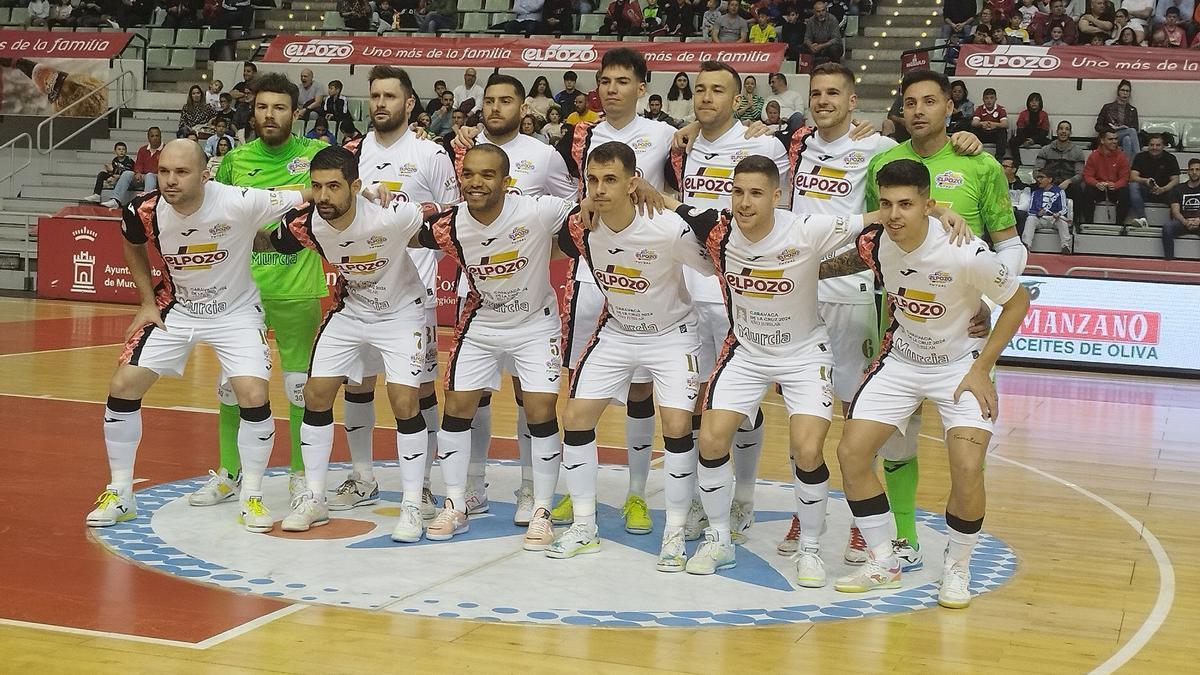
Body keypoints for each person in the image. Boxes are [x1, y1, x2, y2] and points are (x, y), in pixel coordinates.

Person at [672, 156, 970, 576]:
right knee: (711, 440)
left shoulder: (807, 229)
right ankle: (719, 538)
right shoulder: (719, 229)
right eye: (738, 192)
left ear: (777, 196)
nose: (744, 202)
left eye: (756, 193)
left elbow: (881, 214)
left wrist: (940, 209)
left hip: (804, 354)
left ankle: (810, 548)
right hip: (746, 353)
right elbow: (671, 205)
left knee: (808, 449)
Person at [827, 158, 1030, 609]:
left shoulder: (965, 251)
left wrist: (981, 368)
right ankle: (885, 560)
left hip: (959, 365)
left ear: (927, 205)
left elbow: (1018, 303)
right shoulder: (877, 241)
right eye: (887, 204)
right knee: (851, 453)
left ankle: (957, 568)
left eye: (906, 204)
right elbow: (832, 260)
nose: (895, 214)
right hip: (902, 360)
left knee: (966, 466)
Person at [84, 139, 307, 532]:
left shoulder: (240, 200)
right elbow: (132, 243)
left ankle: (251, 496)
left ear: (205, 174)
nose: (170, 180)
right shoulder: (144, 209)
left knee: (253, 394)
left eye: (182, 172)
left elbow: (307, 192)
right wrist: (145, 302)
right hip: (177, 307)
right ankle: (120, 493)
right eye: (165, 171)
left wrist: (362, 192)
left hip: (236, 312)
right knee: (123, 384)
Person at [855, 69, 1026, 572]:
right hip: (900, 322)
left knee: (966, 457)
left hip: (965, 329)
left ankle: (958, 560)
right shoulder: (883, 161)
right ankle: (902, 540)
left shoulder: (981, 162)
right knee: (894, 439)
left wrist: (988, 299)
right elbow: (878, 234)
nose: (918, 110)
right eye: (909, 102)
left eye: (929, 101)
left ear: (950, 107)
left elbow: (1010, 244)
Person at [546, 141, 713, 566]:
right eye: (593, 181)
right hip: (618, 331)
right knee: (576, 417)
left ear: (633, 182)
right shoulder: (582, 226)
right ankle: (585, 526)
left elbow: (712, 262)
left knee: (677, 424)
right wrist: (582, 203)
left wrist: (673, 204)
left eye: (610, 180)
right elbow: (549, 238)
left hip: (672, 333)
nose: (600, 190)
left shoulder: (666, 228)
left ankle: (674, 531)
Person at [261, 146, 436, 536]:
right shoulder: (306, 224)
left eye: (334, 187)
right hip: (352, 310)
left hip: (401, 312)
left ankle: (411, 504)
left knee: (405, 400)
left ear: (356, 186)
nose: (324, 196)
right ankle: (315, 498)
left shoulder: (391, 216)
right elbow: (266, 241)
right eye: (317, 186)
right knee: (315, 393)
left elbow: (445, 224)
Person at [413, 145, 576, 548]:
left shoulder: (538, 211)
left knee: (539, 410)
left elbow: (586, 213)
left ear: (507, 182)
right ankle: (455, 504)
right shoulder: (448, 225)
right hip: (481, 323)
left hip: (534, 325)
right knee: (457, 407)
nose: (476, 182)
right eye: (468, 174)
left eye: (487, 175)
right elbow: (399, 229)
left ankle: (541, 508)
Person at [186, 73, 330, 510]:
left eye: (280, 107)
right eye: (263, 107)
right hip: (241, 294)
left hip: (297, 289)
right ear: (254, 111)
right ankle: (230, 474)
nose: (271, 114)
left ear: (295, 112)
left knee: (299, 387)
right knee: (233, 386)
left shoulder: (316, 155)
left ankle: (300, 476)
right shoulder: (235, 160)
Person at [670, 61, 793, 547]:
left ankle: (744, 494)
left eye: (717, 90)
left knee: (739, 403)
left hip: (739, 291)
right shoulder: (682, 143)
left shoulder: (762, 144)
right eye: (700, 89)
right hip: (687, 290)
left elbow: (784, 212)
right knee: (699, 399)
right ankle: (708, 494)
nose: (706, 97)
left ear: (737, 98)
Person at [447, 74, 577, 520]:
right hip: (478, 292)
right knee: (473, 397)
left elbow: (572, 211)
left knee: (531, 396)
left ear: (523, 108)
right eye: (489, 101)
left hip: (528, 291)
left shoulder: (544, 155)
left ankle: (529, 489)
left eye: (506, 101)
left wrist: (547, 248)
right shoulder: (458, 146)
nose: (495, 108)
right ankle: (473, 486)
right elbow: (453, 212)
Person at [333, 65, 461, 518]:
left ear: (409, 103)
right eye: (375, 95)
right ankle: (362, 475)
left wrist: (416, 212)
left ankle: (422, 484)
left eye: (390, 96)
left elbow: (452, 217)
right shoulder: (350, 154)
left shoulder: (430, 154)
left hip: (414, 295)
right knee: (358, 384)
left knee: (418, 390)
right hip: (360, 293)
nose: (381, 103)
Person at [103, 127, 163, 208]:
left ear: (160, 136)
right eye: (152, 136)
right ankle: (116, 200)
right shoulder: (143, 149)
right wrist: (137, 172)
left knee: (150, 175)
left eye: (157, 135)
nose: (155, 138)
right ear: (148, 137)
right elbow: (138, 164)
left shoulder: (165, 150)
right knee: (127, 173)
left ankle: (145, 203)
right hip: (142, 176)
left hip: (157, 177)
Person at [1036, 120, 1087, 216]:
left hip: (1068, 184)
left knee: (1078, 190)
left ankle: (1075, 222)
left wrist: (1068, 182)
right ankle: (1036, 217)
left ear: (1070, 133)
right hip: (1048, 182)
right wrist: (1045, 181)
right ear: (1057, 131)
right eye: (1061, 129)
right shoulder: (1045, 150)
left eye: (1067, 129)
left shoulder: (1077, 151)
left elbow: (1080, 174)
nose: (1063, 131)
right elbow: (1037, 170)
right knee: (1034, 188)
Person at [1129, 133, 1180, 226]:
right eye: (1151, 145)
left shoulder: (1170, 158)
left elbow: (1175, 180)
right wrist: (1145, 181)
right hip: (1146, 191)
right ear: (1148, 145)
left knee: (1176, 191)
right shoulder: (1140, 157)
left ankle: (1174, 222)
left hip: (1165, 192)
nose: (1154, 148)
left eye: (1158, 145)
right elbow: (1133, 177)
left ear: (1163, 146)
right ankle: (1142, 218)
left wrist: (1163, 189)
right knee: (1133, 186)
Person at [1080, 130, 1131, 224]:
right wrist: (1096, 184)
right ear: (1102, 140)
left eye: (1116, 139)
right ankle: (1088, 223)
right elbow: (1087, 176)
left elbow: (1125, 178)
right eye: (1110, 139)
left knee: (1125, 192)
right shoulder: (1094, 156)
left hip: (1114, 188)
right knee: (1087, 190)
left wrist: (1115, 185)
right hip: (1099, 188)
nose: (1114, 141)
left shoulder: (1121, 157)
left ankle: (1119, 224)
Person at [1021, 168, 1072, 252]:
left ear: (1049, 179)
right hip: (1040, 219)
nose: (1038, 180)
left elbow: (1064, 208)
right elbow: (1030, 210)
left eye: (1041, 177)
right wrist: (1038, 214)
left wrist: (1058, 214)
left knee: (1062, 222)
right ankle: (1026, 245)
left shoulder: (1059, 192)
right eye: (1038, 178)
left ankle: (1065, 246)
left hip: (1054, 219)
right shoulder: (1035, 193)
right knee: (1030, 219)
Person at [1095, 79, 1140, 162]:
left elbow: (1136, 129)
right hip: (1110, 135)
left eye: (1127, 91)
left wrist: (1123, 128)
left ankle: (1126, 166)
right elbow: (1097, 127)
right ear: (1118, 92)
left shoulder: (1133, 110)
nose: (1125, 93)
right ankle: (1139, 156)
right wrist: (1110, 128)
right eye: (1123, 90)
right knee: (1131, 131)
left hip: (1123, 135)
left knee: (1128, 139)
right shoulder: (1107, 107)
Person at [1164, 158, 1200, 259]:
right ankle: (1169, 260)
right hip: (1182, 222)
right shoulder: (1178, 189)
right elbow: (1175, 211)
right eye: (1192, 170)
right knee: (1168, 227)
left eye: (1197, 170)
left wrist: (1199, 221)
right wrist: (1185, 222)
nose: (1194, 172)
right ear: (1187, 171)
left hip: (1199, 221)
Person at [1008, 92, 1050, 159]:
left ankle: (1043, 161)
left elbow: (1044, 131)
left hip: (1039, 136)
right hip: (1024, 135)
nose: (1034, 103)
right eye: (1032, 101)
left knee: (1049, 143)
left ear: (1040, 102)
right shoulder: (1023, 114)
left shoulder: (1044, 115)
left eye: (1036, 101)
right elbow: (1020, 130)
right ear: (1028, 103)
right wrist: (1025, 140)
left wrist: (1033, 140)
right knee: (1012, 141)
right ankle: (1017, 160)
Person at [971, 87, 1009, 160]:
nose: (989, 101)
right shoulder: (979, 109)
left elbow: (1006, 124)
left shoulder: (1001, 109)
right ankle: (974, 156)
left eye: (991, 98)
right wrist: (982, 123)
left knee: (1002, 131)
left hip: (994, 134)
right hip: (983, 133)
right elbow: (974, 123)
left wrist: (994, 125)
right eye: (986, 98)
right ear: (983, 99)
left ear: (995, 99)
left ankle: (999, 158)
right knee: (973, 129)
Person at [229, 62, 257, 130]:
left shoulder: (257, 85)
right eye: (244, 71)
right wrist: (245, 95)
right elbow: (231, 94)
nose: (245, 73)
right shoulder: (241, 84)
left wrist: (240, 96)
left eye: (248, 71)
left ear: (254, 73)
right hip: (240, 110)